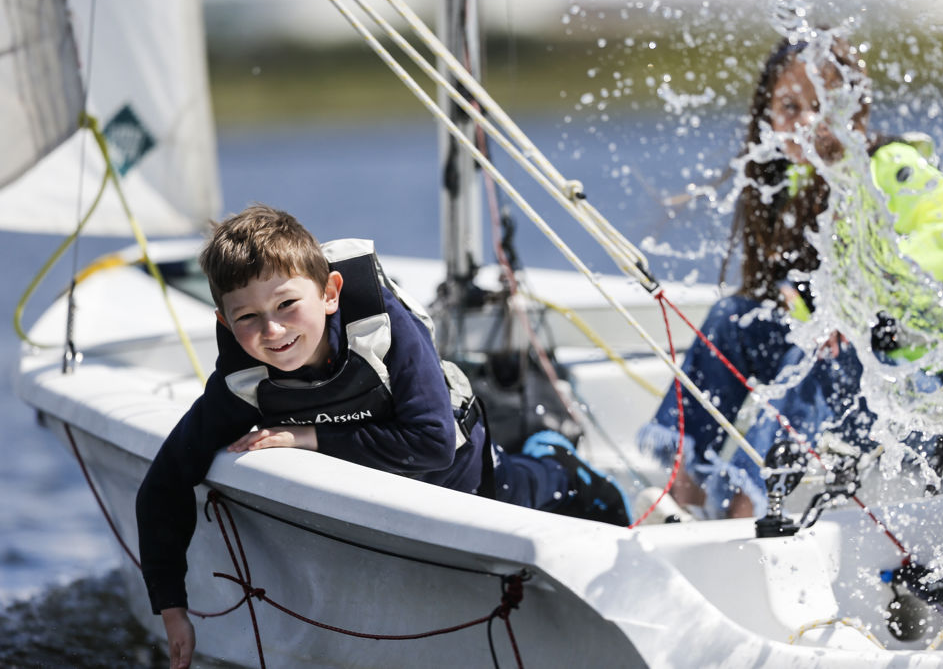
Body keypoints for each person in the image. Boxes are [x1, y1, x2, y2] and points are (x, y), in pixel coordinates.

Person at [136, 205, 630, 669]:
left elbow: (433, 445)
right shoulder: (240, 383)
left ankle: (559, 456)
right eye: (247, 317)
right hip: (393, 507)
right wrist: (172, 605)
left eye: (288, 304)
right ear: (223, 320)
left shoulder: (384, 326)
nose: (272, 329)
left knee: (573, 496)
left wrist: (309, 437)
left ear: (330, 292)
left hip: (469, 479)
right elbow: (164, 483)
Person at [638, 32, 943, 519]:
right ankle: (684, 494)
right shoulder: (799, 184)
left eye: (817, 106)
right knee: (732, 319)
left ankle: (743, 510)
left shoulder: (888, 166)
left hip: (920, 393)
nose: (801, 122)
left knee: (823, 350)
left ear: (852, 110)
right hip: (848, 379)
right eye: (787, 107)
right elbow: (815, 298)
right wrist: (800, 300)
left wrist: (866, 290)